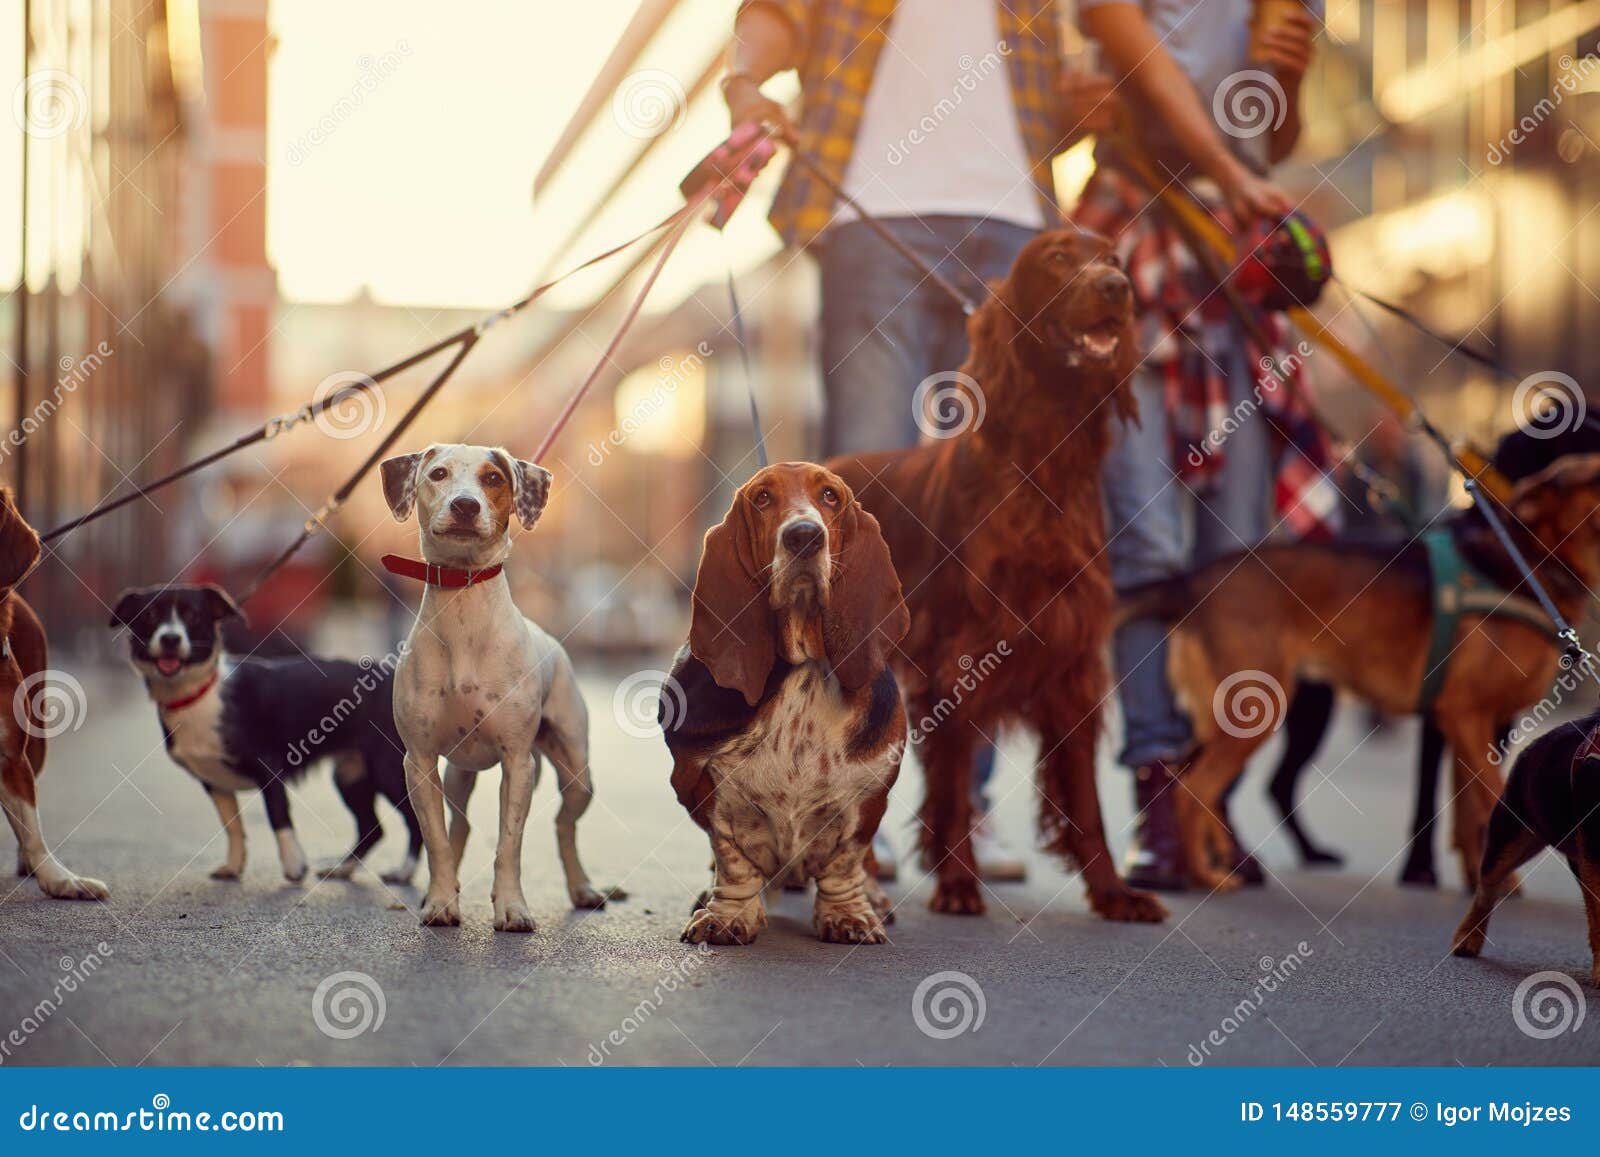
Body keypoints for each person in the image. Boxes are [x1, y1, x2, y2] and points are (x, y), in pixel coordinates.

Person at [722, 0, 1113, 882]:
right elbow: (779, 14)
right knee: (854, 517)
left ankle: (955, 805)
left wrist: (1097, 95)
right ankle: (839, 792)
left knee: (988, 536)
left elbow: (1069, 73)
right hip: (871, 211)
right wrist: (746, 81)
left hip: (1017, 226)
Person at [1073, 0, 1333, 890]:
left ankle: (1207, 796)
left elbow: (1277, 135)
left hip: (1237, 255)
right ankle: (1158, 793)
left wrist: (1285, 79)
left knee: (1240, 565)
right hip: (1142, 225)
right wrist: (1226, 169)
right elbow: (1128, 49)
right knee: (1145, 549)